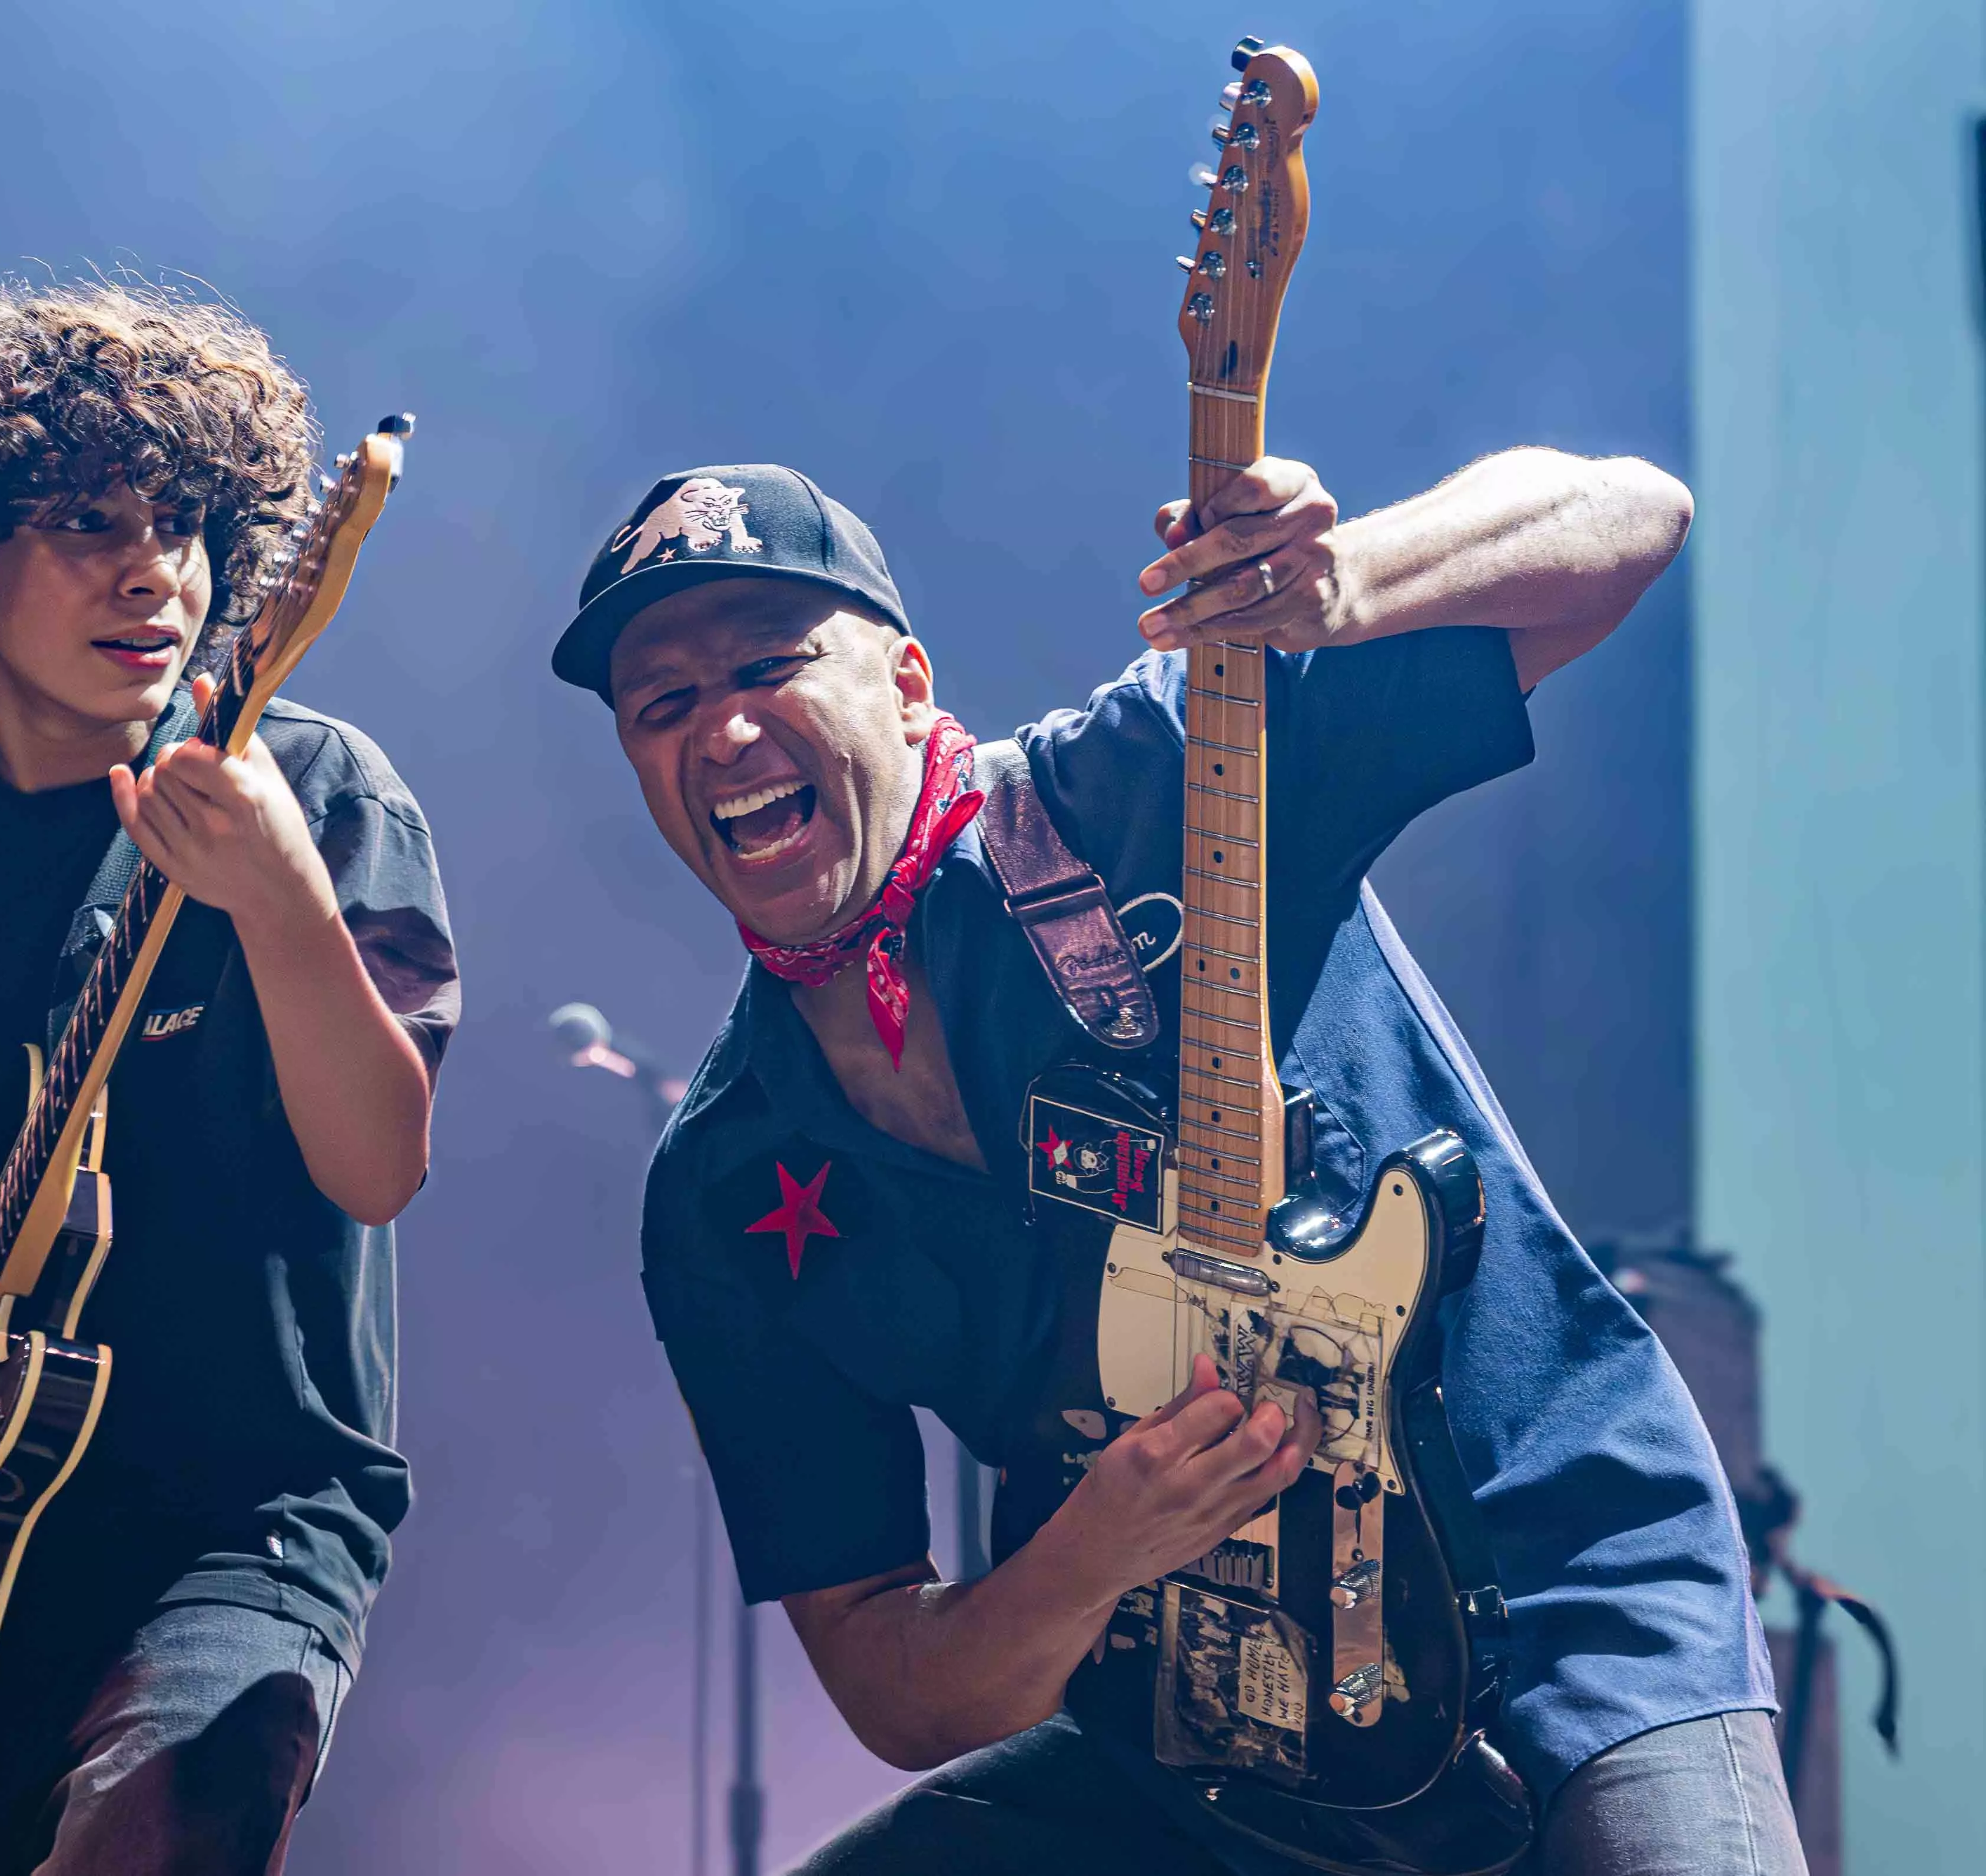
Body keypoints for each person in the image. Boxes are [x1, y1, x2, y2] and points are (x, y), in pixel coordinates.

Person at [552, 455, 1800, 1872]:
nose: (719, 732)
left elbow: (1631, 517)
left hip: (1562, 1612)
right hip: (1211, 1731)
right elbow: (888, 1684)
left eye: (766, 667)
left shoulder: (1156, 780)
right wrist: (1094, 1551)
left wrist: (1345, 585)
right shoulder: (726, 1181)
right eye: (663, 707)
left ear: (905, 683)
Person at [0, 281, 458, 1876]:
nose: (157, 571)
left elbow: (379, 1165)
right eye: (87, 522)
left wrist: (275, 894)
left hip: (242, 1528)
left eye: (185, 524)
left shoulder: (316, 789)